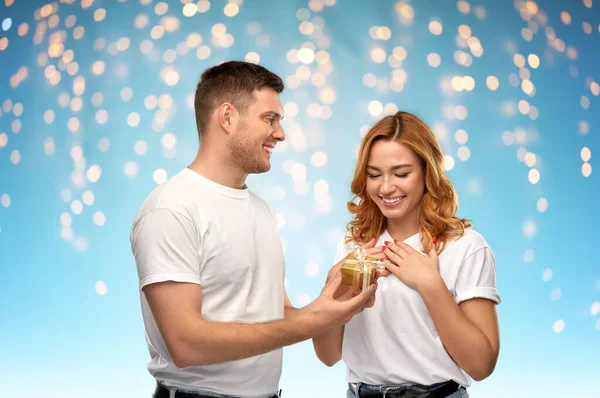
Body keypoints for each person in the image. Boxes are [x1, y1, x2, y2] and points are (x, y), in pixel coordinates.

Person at [130, 61, 376, 398]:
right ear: (227, 117)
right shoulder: (171, 209)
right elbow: (185, 344)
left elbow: (277, 315)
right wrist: (310, 322)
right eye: (270, 119)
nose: (280, 133)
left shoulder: (261, 210)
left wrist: (328, 302)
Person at [313, 111, 501, 398]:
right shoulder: (354, 245)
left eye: (401, 174)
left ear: (428, 173)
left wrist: (431, 285)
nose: (386, 187)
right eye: (374, 174)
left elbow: (481, 365)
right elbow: (328, 355)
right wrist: (333, 288)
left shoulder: (465, 247)